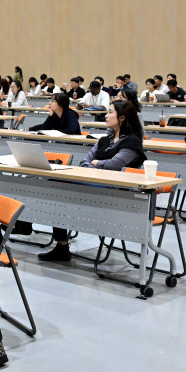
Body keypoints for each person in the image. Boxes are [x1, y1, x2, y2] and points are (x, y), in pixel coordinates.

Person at [38, 100, 147, 262]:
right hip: (96, 184)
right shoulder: (105, 140)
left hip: (116, 192)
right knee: (57, 185)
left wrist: (96, 163)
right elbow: (85, 161)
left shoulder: (132, 142)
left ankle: (59, 244)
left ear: (122, 117)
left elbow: (114, 165)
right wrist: (96, 165)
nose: (106, 115)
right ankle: (61, 245)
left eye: (110, 112)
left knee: (60, 185)